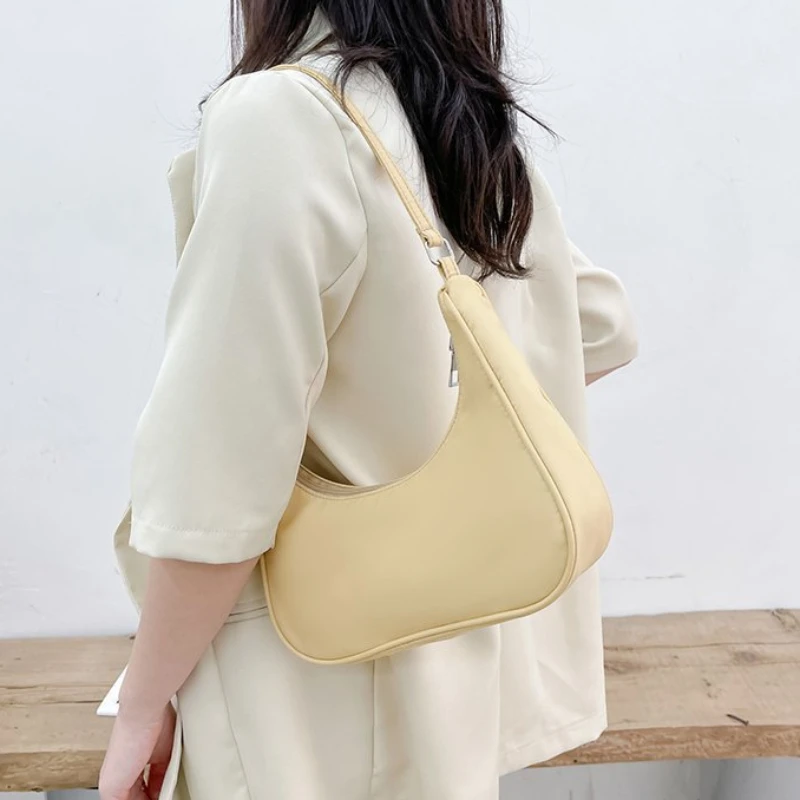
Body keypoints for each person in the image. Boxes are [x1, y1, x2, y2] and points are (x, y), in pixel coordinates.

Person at [100, 3, 638, 799]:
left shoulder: (286, 118)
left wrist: (141, 703)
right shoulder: (450, 113)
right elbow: (597, 326)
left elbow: (217, 493)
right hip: (444, 667)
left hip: (304, 699)